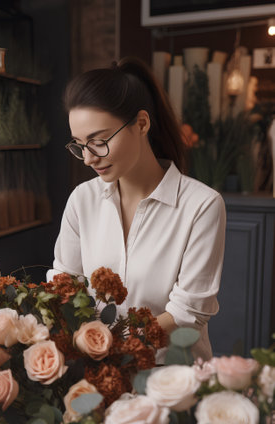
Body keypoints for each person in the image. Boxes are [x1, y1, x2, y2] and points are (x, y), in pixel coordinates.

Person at [48, 57, 226, 362]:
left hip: (172, 379)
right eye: (79, 145)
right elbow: (65, 285)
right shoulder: (82, 200)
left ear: (141, 124)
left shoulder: (201, 206)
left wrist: (112, 348)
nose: (89, 159)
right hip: (97, 372)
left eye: (99, 142)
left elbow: (186, 313)